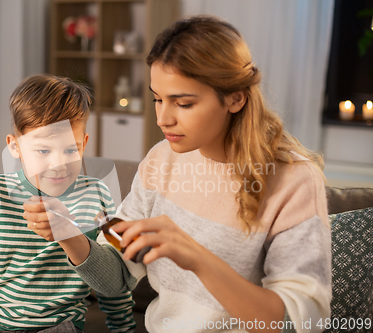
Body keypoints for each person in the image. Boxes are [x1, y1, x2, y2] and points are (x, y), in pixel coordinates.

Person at [25, 16, 332, 333]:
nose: (163, 118)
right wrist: (68, 233)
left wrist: (198, 258)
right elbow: (116, 277)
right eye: (157, 98)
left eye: (183, 103)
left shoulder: (293, 180)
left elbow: (304, 322)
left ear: (235, 98)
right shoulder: (161, 159)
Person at [0, 74, 136, 333]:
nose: (58, 164)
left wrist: (124, 328)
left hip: (59, 326)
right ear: (15, 146)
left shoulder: (98, 195)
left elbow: (114, 280)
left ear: (84, 144)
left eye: (70, 150)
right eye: (43, 151)